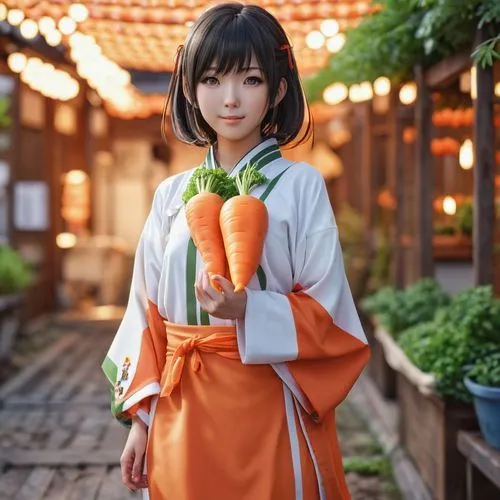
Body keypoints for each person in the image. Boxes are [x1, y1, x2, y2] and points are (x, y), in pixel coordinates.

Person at [102, 3, 370, 499]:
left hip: (270, 399)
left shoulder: (301, 186)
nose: (230, 99)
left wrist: (250, 309)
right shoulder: (170, 194)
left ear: (278, 89)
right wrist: (140, 419)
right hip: (180, 404)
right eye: (211, 79)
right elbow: (145, 312)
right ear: (188, 88)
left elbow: (330, 315)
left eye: (250, 80)